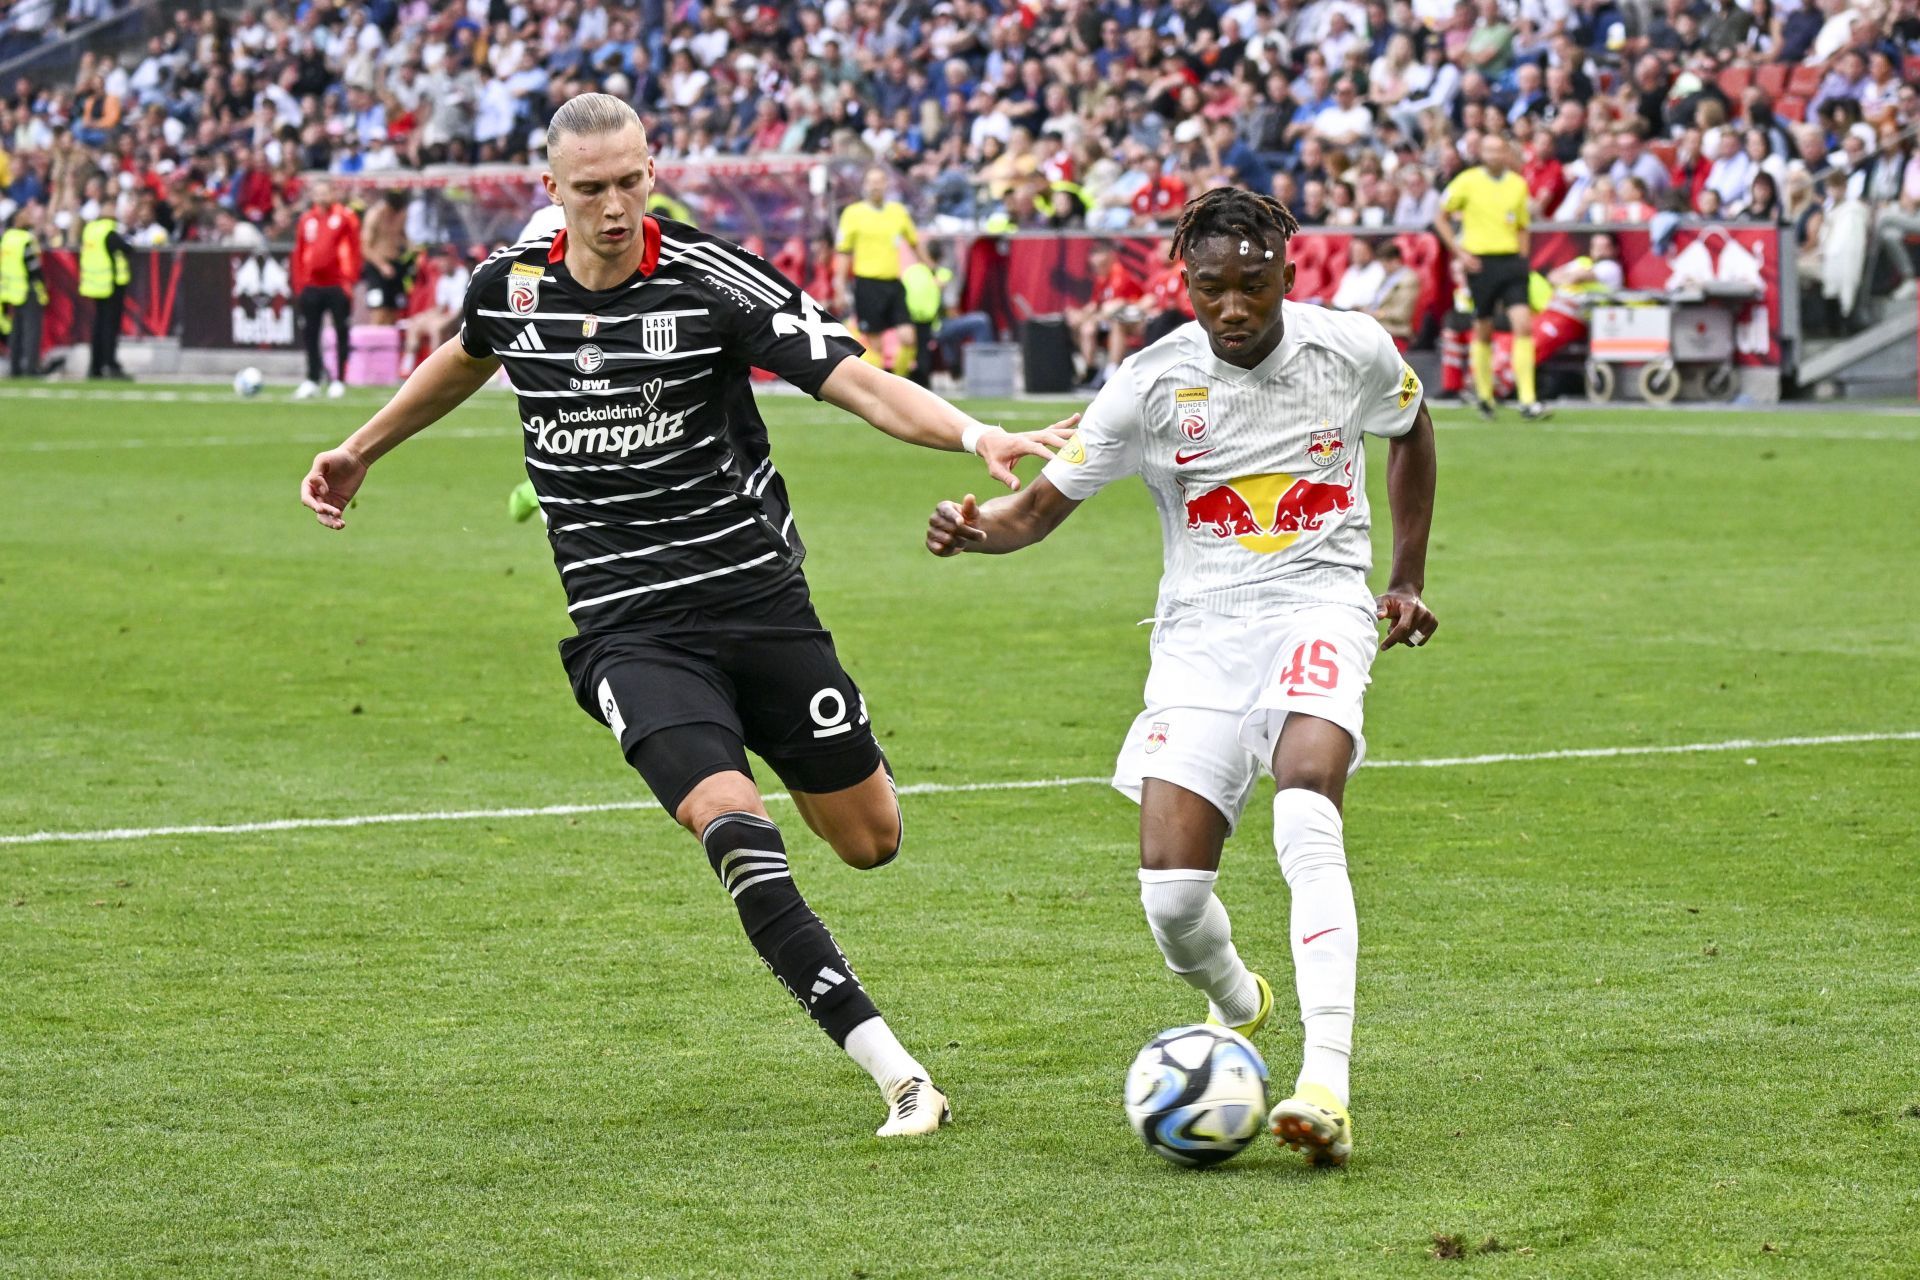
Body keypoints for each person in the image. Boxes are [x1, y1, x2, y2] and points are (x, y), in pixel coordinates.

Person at [298, 94, 1068, 1138]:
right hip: (627, 625)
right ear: (551, 192)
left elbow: (856, 381)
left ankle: (812, 749)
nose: (614, 207)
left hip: (754, 596)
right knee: (730, 821)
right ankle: (899, 1072)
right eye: (590, 189)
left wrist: (971, 429)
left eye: (630, 181)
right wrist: (362, 447)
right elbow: (467, 352)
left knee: (869, 838)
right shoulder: (514, 288)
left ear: (651, 170)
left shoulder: (711, 278)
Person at [923, 188, 1439, 1170]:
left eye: (1253, 285)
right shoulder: (1150, 384)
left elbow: (1411, 429)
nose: (1235, 306)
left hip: (1319, 607)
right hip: (1201, 637)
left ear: (1289, 270)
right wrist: (973, 532)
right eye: (1214, 288)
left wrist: (1404, 577)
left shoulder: (1352, 350)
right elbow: (1032, 509)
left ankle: (1325, 1081)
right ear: (1185, 283)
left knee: (1307, 801)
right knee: (1171, 898)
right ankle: (1241, 1000)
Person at [1434, 135, 1548, 421]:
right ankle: (1485, 396)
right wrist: (1459, 253)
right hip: (1481, 262)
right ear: (1482, 153)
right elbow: (1441, 216)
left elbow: (1523, 225)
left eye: (1500, 149)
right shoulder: (1467, 181)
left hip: (1510, 261)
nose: (1495, 155)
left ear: (1507, 152)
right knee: (1483, 326)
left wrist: (1522, 257)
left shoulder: (1518, 184)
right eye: (1490, 150)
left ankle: (1527, 400)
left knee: (1523, 324)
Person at [834, 165, 919, 377]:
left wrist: (932, 270)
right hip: (867, 284)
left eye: (879, 181)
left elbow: (915, 243)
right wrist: (839, 285)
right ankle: (881, 391)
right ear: (864, 186)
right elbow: (844, 253)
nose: (875, 186)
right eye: (871, 182)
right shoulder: (853, 214)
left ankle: (901, 385)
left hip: (893, 283)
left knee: (908, 337)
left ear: (886, 185)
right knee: (876, 346)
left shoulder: (898, 212)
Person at [291, 179, 362, 400]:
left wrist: (349, 279)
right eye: (317, 192)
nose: (321, 196)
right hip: (311, 286)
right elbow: (300, 252)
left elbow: (354, 249)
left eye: (325, 192)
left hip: (337, 285)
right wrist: (300, 284)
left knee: (341, 331)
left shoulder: (345, 217)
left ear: (333, 193)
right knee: (310, 332)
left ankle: (339, 379)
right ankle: (312, 377)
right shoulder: (306, 220)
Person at [1065, 240, 1146, 389]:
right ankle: (1088, 370)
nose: (1096, 268)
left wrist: (1089, 318)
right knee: (1081, 326)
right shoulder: (1102, 278)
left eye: (1100, 264)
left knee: (1093, 327)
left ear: (1110, 258)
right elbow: (1095, 305)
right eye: (1094, 265)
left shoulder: (1119, 276)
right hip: (1111, 321)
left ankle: (1107, 372)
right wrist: (1080, 314)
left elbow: (1113, 308)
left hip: (1134, 320)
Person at [78, 208, 133, 380]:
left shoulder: (90, 231)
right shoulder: (109, 232)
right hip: (111, 285)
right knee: (110, 328)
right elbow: (127, 249)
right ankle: (110, 363)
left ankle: (95, 366)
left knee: (98, 327)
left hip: (94, 285)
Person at [1, 201, 50, 377]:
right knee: (31, 330)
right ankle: (30, 367)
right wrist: (42, 285)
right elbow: (34, 268)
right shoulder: (26, 240)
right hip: (27, 288)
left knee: (16, 331)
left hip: (10, 290)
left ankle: (14, 367)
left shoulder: (7, 238)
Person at [361, 189, 414, 327]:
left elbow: (401, 236)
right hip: (377, 268)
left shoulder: (402, 214)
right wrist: (382, 265)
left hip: (395, 265)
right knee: (379, 310)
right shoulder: (375, 215)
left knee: (394, 310)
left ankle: (389, 345)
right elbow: (365, 247)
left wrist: (411, 248)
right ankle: (376, 343)